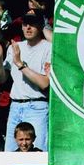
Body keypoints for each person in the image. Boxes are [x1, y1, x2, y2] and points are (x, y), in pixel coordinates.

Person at [5, 9, 51, 152]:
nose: (28, 27)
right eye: (25, 24)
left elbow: (45, 83)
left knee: (37, 154)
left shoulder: (48, 48)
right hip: (15, 105)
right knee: (10, 155)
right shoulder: (14, 47)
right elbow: (0, 79)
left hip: (37, 106)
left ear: (41, 26)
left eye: (32, 23)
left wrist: (20, 65)